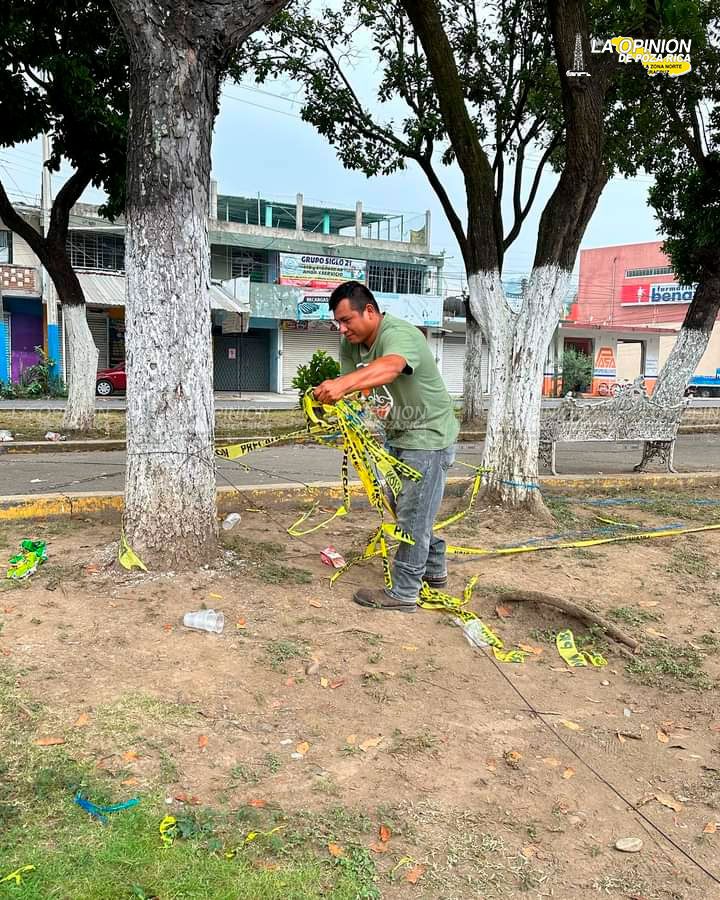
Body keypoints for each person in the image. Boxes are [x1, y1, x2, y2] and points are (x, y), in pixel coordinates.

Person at [313, 281, 459, 612]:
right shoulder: (350, 345)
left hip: (429, 435)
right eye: (338, 321)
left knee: (413, 514)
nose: (342, 328)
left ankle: (405, 592)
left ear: (369, 311)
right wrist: (331, 406)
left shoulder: (398, 333)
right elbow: (353, 390)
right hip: (397, 436)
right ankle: (433, 570)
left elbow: (391, 366)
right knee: (402, 504)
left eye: (347, 320)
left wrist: (341, 384)